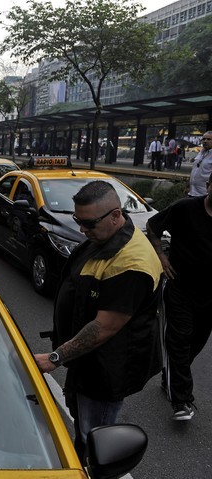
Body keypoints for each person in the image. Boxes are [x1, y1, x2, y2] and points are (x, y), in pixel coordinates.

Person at [34, 181, 163, 460]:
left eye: (89, 224)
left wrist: (55, 357)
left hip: (105, 370)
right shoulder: (104, 236)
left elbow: (104, 327)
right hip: (88, 363)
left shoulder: (132, 264)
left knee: (97, 439)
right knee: (84, 427)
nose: (82, 229)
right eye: (78, 221)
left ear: (116, 215)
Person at [146, 172, 212, 421]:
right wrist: (162, 257)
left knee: (196, 342)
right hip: (180, 287)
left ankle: (170, 377)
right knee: (179, 340)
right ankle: (182, 401)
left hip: (210, 295)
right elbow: (153, 226)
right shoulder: (186, 208)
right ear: (208, 186)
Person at [187, 131, 212, 197]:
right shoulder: (201, 152)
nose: (205, 141)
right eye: (203, 139)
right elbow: (194, 170)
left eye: (209, 139)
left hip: (204, 195)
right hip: (192, 192)